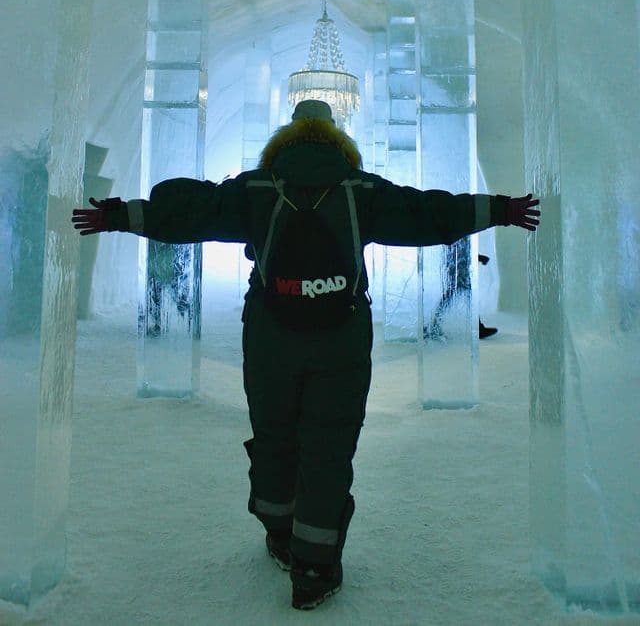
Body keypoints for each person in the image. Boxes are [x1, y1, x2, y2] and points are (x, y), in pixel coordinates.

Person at [72, 99, 540, 611]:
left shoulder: (256, 188)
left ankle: (279, 532)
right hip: (342, 335)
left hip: (271, 332)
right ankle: (314, 567)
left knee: (276, 433)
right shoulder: (361, 189)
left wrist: (118, 215)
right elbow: (428, 213)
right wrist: (500, 209)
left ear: (287, 136)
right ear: (336, 137)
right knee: (328, 444)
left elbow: (192, 210)